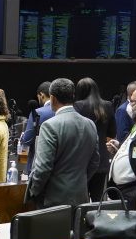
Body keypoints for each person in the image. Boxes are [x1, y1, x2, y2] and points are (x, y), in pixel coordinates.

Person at [26, 78, 100, 208]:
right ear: (73, 96)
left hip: (53, 200)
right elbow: (94, 162)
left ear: (52, 98)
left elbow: (43, 168)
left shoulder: (49, 126)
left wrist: (34, 191)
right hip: (81, 196)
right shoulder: (90, 124)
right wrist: (79, 182)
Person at [74, 77, 116, 201]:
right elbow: (112, 132)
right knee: (98, 199)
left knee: (81, 199)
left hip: (81, 158)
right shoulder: (108, 105)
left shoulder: (78, 106)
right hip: (101, 157)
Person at [20, 81, 54, 173]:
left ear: (41, 95)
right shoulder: (60, 111)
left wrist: (22, 137)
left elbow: (27, 140)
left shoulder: (37, 113)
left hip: (38, 164)